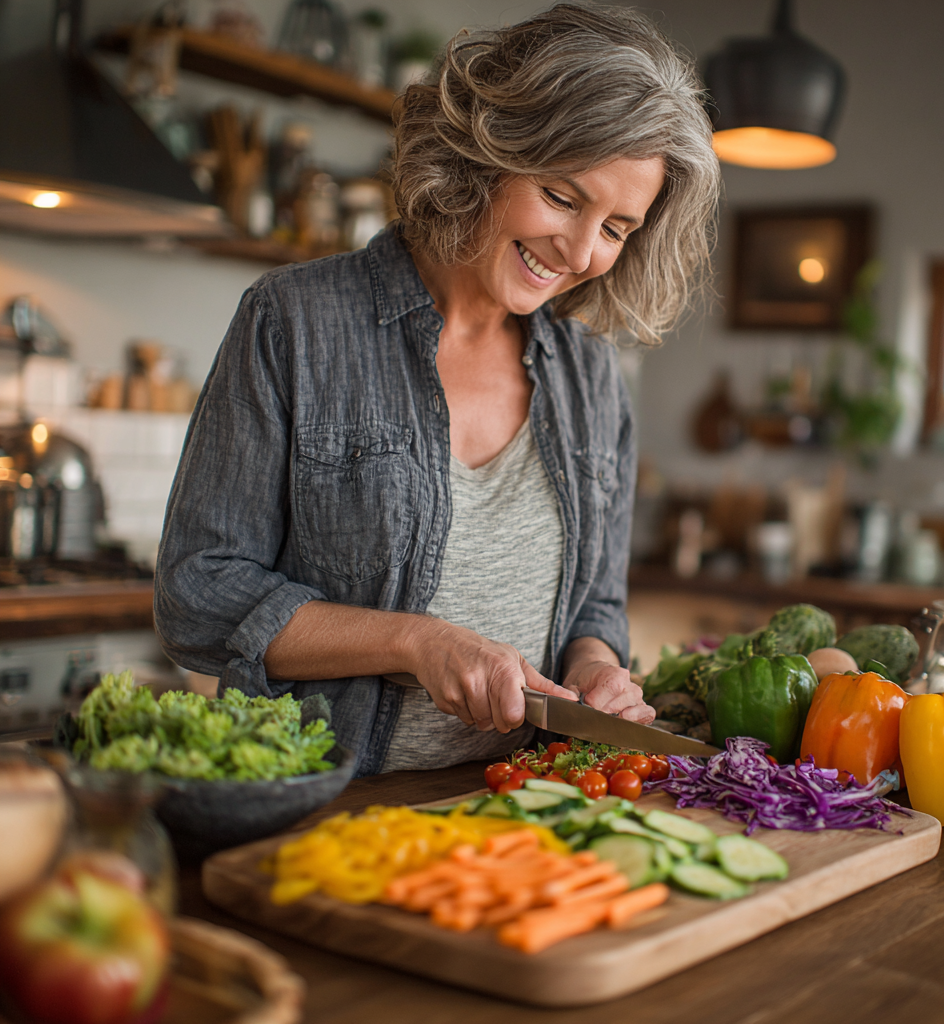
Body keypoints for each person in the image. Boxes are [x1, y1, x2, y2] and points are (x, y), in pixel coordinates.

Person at [154, 3, 720, 776]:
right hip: (317, 800)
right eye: (561, 196)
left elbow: (594, 608)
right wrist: (414, 641)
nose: (583, 251)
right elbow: (198, 593)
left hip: (517, 804)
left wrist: (595, 668)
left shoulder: (593, 377)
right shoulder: (295, 321)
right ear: (484, 153)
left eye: (618, 228)